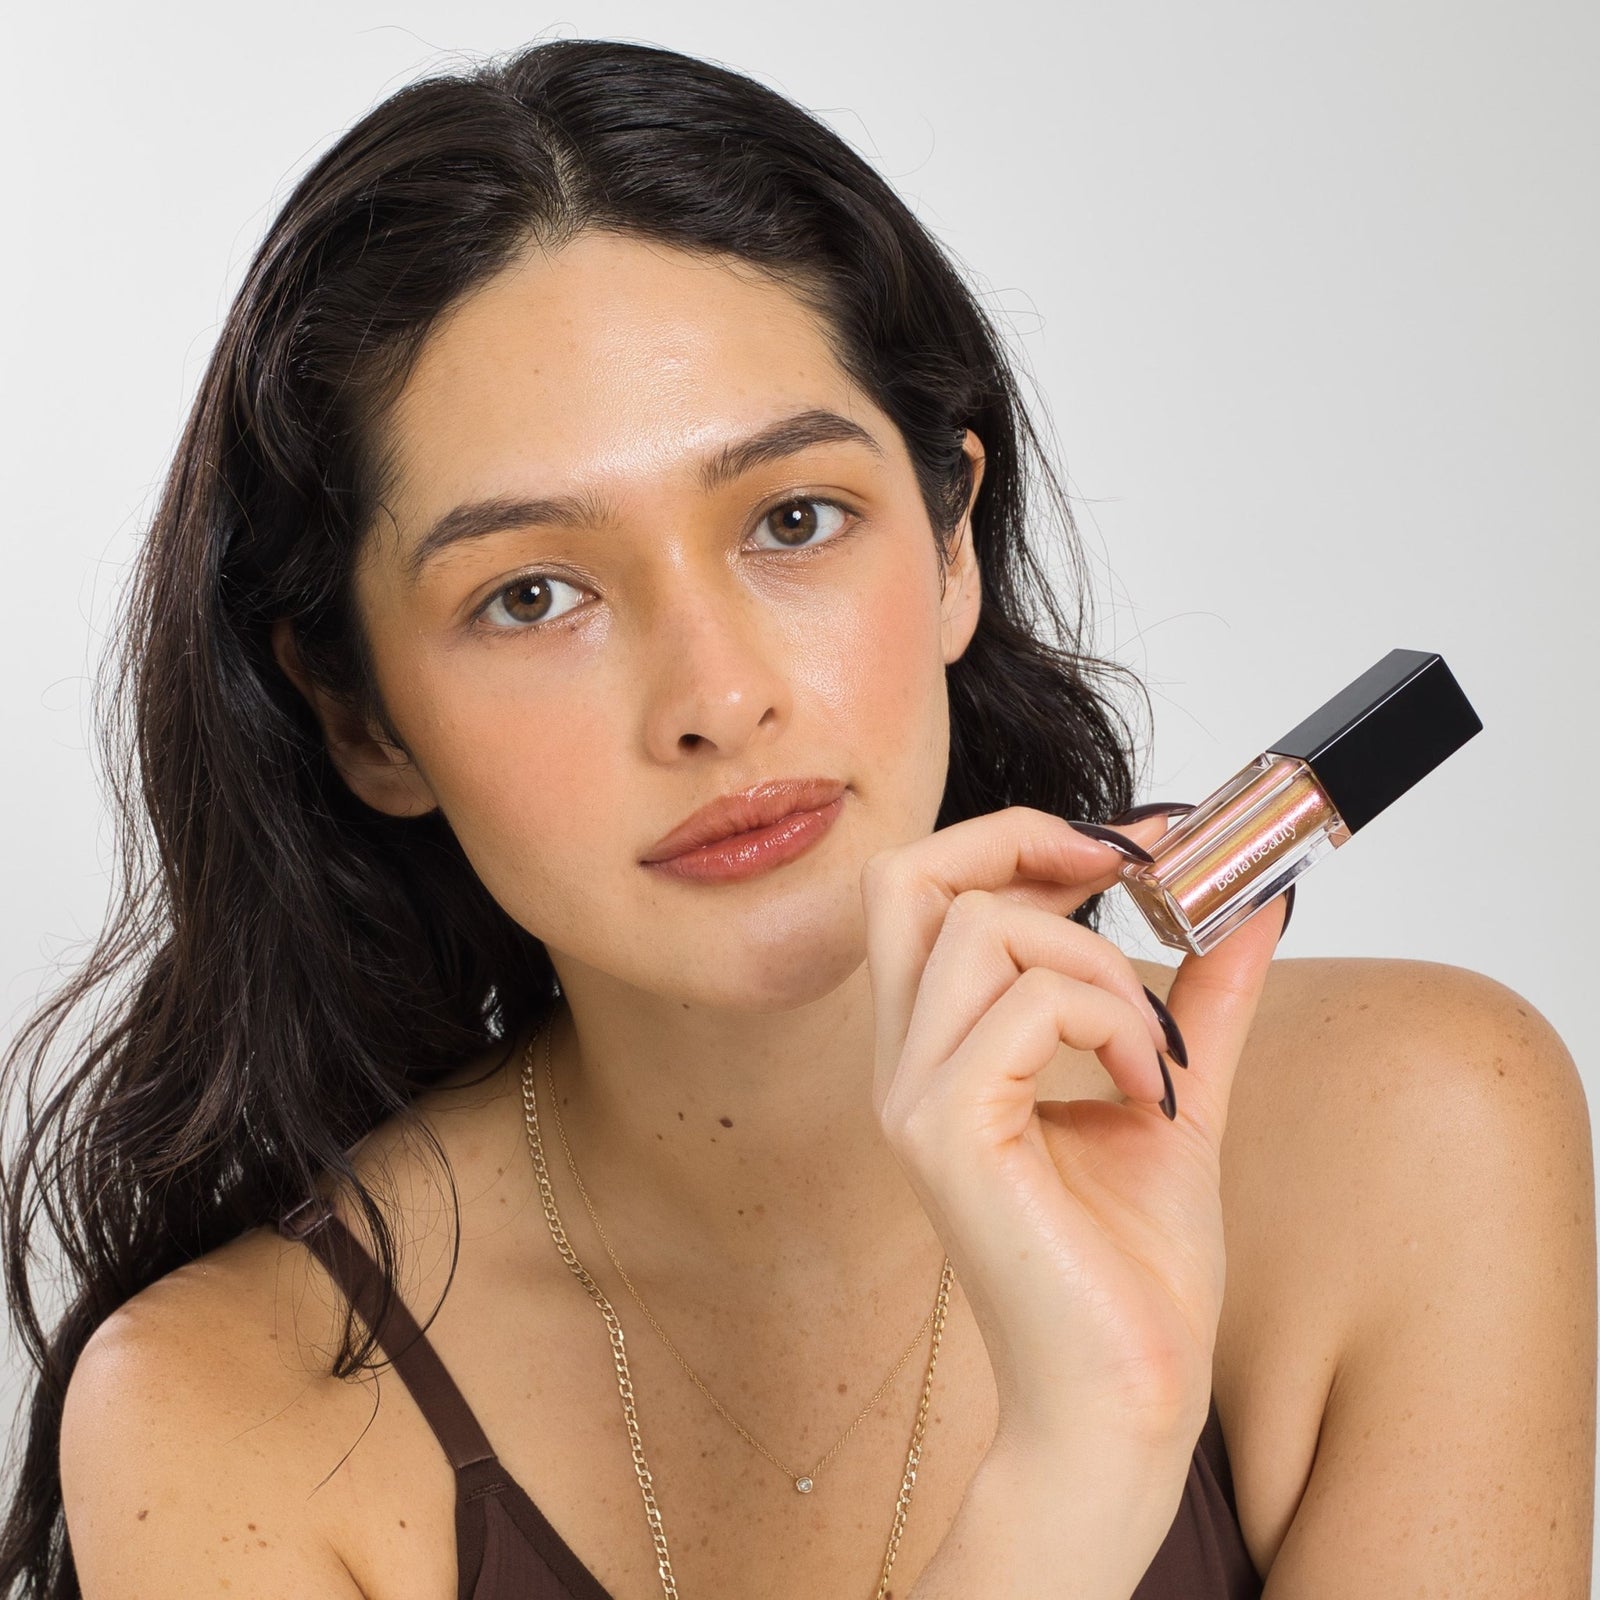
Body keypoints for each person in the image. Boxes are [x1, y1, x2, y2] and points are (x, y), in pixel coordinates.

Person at [1, 36, 1591, 1600]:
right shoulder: (233, 1410)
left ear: (953, 544)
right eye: (533, 595)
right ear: (363, 716)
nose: (719, 697)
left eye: (793, 519)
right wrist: (1078, 1468)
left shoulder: (1417, 1138)